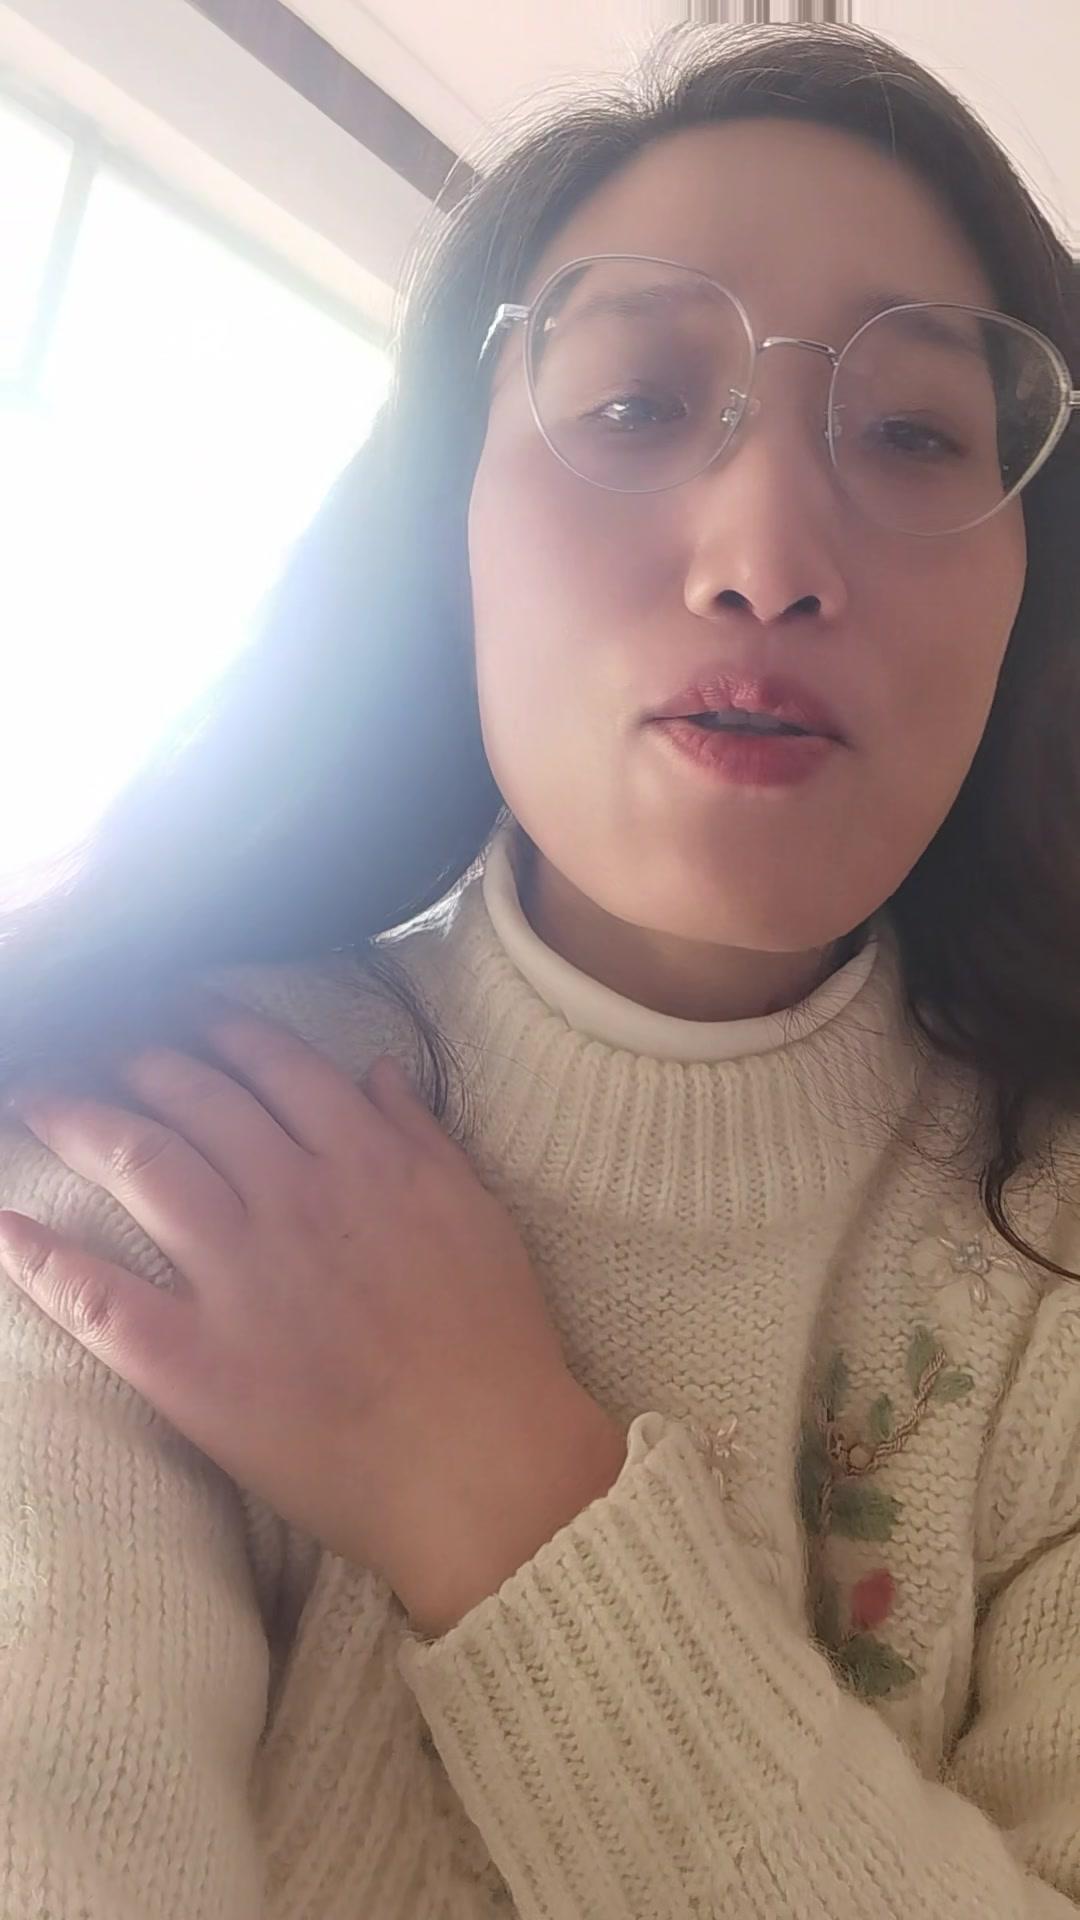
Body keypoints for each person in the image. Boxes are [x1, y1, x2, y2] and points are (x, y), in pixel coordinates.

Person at [0, 18, 1078, 1918]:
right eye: (638, 404)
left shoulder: (1052, 1270)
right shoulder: (165, 1143)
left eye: (916, 433)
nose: (766, 555)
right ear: (454, 526)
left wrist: (494, 1492)